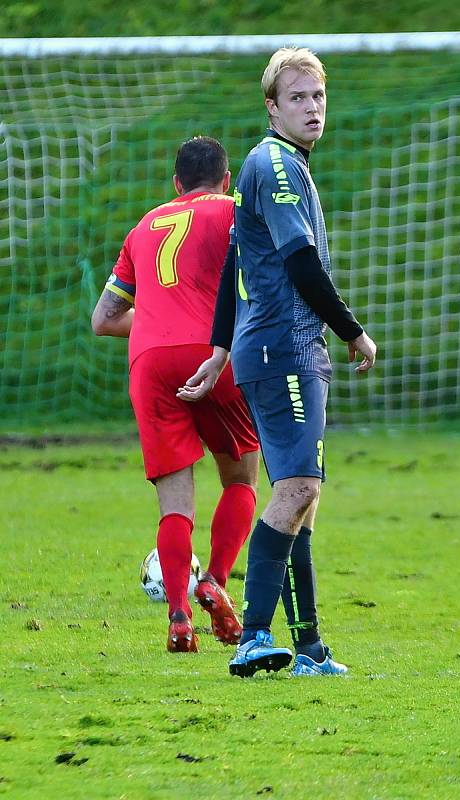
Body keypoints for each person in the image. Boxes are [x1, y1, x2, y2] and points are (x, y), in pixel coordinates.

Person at [177, 48, 377, 677]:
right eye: (297, 97)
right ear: (272, 106)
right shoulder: (279, 166)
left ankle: (310, 648)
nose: (311, 107)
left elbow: (239, 265)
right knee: (295, 489)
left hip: (278, 348)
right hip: (283, 348)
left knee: (303, 499)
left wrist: (217, 352)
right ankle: (254, 636)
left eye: (317, 96)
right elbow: (299, 265)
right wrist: (353, 330)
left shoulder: (275, 166)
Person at [91, 136, 260, 654]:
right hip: (215, 351)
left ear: (175, 184)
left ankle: (180, 618)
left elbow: (104, 319)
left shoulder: (143, 226)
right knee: (242, 475)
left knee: (174, 504)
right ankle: (214, 581)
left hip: (149, 362)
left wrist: (160, 321)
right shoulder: (234, 211)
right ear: (226, 180)